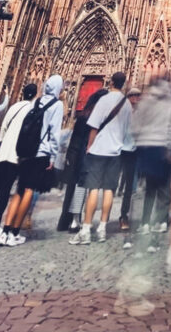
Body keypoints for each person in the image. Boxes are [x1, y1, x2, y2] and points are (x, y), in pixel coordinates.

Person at [1, 74, 64, 246]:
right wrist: (52, 155)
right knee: (29, 190)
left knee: (18, 191)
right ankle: (15, 232)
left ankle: (5, 231)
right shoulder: (57, 105)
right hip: (41, 153)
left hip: (25, 151)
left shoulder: (36, 101)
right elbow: (55, 133)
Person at [70, 71, 131, 245]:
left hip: (98, 151)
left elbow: (94, 127)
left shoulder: (103, 100)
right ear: (124, 84)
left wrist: (90, 146)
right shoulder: (126, 104)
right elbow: (128, 130)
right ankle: (103, 228)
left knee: (93, 189)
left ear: (111, 82)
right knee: (109, 190)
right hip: (116, 152)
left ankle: (86, 229)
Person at [0, 83, 36, 240]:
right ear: (35, 95)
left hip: (2, 153)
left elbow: (3, 128)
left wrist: (1, 146)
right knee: (4, 190)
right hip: (16, 155)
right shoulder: (32, 110)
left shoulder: (14, 107)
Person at [131, 75, 171, 244]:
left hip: (146, 148)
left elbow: (135, 126)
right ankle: (160, 223)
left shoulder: (145, 100)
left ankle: (144, 223)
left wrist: (140, 143)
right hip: (164, 148)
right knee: (164, 188)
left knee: (149, 189)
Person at [57, 87, 108, 232]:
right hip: (91, 156)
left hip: (77, 156)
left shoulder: (83, 116)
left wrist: (70, 157)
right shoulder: (99, 119)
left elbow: (74, 140)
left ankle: (68, 221)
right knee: (85, 189)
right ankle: (78, 220)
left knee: (73, 189)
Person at [118, 86, 142, 231]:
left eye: (137, 96)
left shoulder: (141, 114)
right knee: (110, 185)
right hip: (117, 150)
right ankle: (103, 217)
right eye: (132, 96)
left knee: (129, 187)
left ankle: (124, 215)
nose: (135, 99)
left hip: (132, 151)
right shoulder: (121, 111)